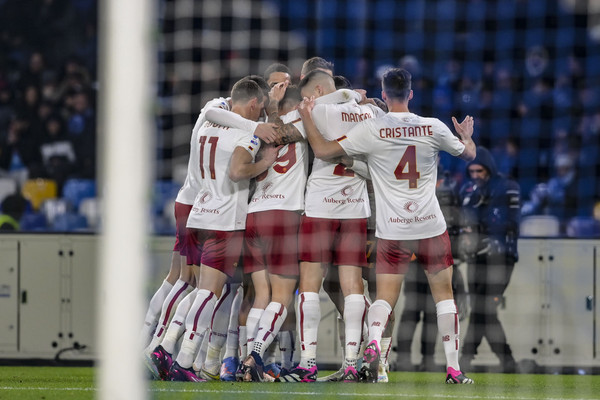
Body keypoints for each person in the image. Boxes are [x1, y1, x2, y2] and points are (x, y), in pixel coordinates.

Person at [297, 67, 476, 384]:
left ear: (383, 94)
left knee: (383, 298)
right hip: (430, 225)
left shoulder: (373, 128)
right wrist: (466, 136)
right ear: (411, 94)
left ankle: (374, 343)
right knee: (445, 298)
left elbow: (323, 151)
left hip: (392, 228)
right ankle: (454, 370)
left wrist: (308, 116)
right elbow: (469, 155)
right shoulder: (433, 126)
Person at [277, 70, 386, 383]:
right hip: (355, 208)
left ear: (319, 90)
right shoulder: (370, 114)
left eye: (307, 95)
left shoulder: (318, 111)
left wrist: (294, 111)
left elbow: (281, 133)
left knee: (310, 284)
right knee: (353, 287)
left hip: (321, 206)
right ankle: (351, 364)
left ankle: (308, 364)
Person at [240, 83, 308, 382]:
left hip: (254, 213)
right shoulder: (303, 123)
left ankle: (247, 361)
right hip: (284, 213)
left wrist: (271, 109)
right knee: (282, 296)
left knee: (261, 295)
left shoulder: (259, 128)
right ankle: (255, 356)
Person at [457, 146, 520, 373]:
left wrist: (479, 230)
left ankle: (465, 358)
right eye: (472, 171)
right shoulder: (467, 190)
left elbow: (511, 222)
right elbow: (463, 220)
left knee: (484, 309)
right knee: (483, 311)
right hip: (476, 258)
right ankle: (508, 363)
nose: (475, 176)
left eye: (479, 171)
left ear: (489, 169)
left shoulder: (508, 187)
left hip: (502, 258)